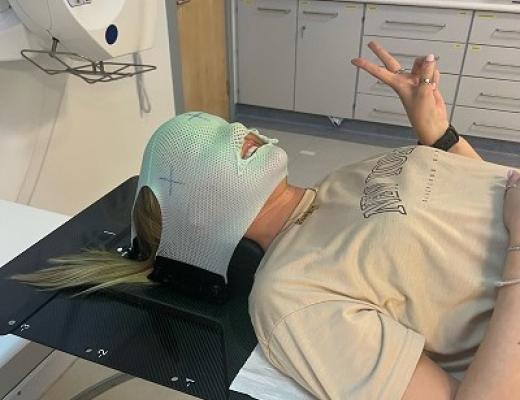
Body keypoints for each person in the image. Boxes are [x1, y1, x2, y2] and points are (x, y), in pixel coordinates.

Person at [11, 41, 520, 399]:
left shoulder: (339, 179)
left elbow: (487, 198)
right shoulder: (292, 295)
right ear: (198, 222)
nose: (237, 130)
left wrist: (441, 138)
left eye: (223, 125)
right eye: (203, 150)